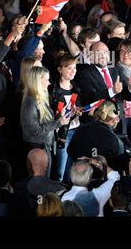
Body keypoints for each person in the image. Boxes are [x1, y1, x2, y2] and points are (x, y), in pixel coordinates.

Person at [76, 41, 131, 137]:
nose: (102, 55)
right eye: (98, 53)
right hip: (99, 122)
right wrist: (112, 91)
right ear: (91, 57)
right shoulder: (85, 74)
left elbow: (126, 96)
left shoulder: (116, 69)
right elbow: (90, 98)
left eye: (105, 52)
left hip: (120, 120)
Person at [20, 66, 70, 175]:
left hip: (44, 146)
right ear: (37, 81)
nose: (49, 83)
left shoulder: (40, 99)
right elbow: (35, 130)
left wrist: (59, 117)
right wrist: (58, 122)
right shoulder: (30, 103)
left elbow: (45, 123)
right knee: (39, 183)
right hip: (36, 148)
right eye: (46, 80)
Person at [49, 54, 81, 182]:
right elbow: (49, 113)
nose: (73, 71)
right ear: (59, 69)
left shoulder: (76, 87)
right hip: (60, 132)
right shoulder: (52, 90)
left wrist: (78, 111)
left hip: (76, 130)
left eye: (75, 68)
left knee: (72, 170)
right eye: (69, 68)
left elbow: (79, 106)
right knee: (59, 172)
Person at [68, 101, 125, 170]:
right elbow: (118, 164)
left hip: (80, 175)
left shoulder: (80, 130)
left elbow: (70, 151)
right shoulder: (116, 140)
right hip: (103, 178)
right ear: (115, 119)